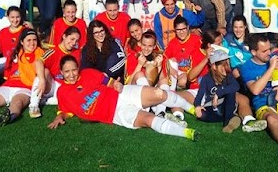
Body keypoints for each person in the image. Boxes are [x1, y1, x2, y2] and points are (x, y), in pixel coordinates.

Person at [48, 57, 200, 141]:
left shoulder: (88, 73)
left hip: (121, 94)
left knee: (159, 93)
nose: (72, 74)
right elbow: (65, 111)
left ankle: (192, 109)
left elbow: (108, 82)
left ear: (78, 68)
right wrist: (59, 117)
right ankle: (187, 133)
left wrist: (116, 84)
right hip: (116, 113)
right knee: (148, 119)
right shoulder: (62, 92)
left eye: (74, 70)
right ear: (61, 72)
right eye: (67, 71)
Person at [29, 26, 82, 118]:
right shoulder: (53, 51)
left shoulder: (77, 53)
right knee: (44, 71)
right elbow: (38, 62)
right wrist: (42, 80)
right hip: (52, 84)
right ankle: (33, 105)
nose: (74, 43)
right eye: (72, 39)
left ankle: (46, 101)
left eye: (76, 41)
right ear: (64, 36)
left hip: (67, 86)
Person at [194, 50, 242, 133]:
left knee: (231, 92)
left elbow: (236, 86)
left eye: (228, 64)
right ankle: (231, 118)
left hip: (225, 105)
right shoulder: (206, 78)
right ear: (214, 66)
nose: (227, 68)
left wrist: (218, 93)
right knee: (201, 115)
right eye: (223, 65)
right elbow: (200, 94)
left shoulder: (229, 77)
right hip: (211, 106)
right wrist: (197, 106)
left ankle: (227, 123)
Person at [0, 6, 27, 78]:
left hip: (21, 62)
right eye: (12, 17)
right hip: (6, 62)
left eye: (17, 17)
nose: (15, 20)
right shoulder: (3, 32)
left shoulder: (25, 31)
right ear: (8, 17)